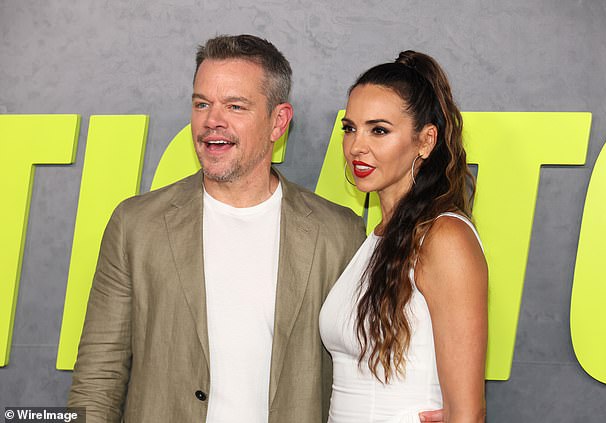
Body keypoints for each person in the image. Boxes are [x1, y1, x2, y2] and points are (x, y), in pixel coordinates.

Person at [67, 34, 367, 423]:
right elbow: (98, 377)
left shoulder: (338, 233)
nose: (212, 121)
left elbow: (361, 374)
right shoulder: (136, 226)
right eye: (202, 104)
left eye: (235, 106)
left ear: (278, 121)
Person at [320, 51, 488, 422]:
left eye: (378, 130)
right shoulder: (375, 238)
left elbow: (468, 414)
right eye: (350, 128)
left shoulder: (445, 238)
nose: (356, 147)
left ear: (426, 141)